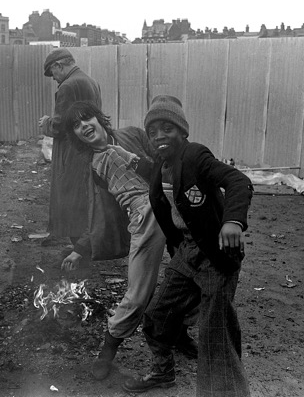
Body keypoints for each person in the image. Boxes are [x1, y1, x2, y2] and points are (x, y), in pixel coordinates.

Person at [123, 95, 253, 396]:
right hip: (187, 253)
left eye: (166, 128)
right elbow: (161, 186)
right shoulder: (160, 165)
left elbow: (238, 181)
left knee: (215, 334)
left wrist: (233, 222)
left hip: (216, 255)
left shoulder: (196, 156)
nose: (158, 137)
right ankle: (162, 372)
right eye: (152, 131)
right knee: (157, 314)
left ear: (183, 131)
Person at [60, 101, 198, 381]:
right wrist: (80, 248)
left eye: (87, 118)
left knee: (198, 275)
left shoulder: (133, 135)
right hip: (145, 216)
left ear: (99, 119)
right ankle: (107, 352)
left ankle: (179, 331)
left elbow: (167, 158)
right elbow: (101, 215)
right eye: (76, 125)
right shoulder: (94, 169)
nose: (84, 126)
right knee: (139, 294)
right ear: (75, 135)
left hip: (175, 204)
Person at [38, 48, 102, 246]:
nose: (54, 79)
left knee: (69, 197)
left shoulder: (67, 86)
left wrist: (46, 122)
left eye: (53, 73)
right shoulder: (91, 81)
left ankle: (80, 252)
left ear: (59, 65)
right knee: (85, 198)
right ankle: (85, 246)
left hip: (70, 152)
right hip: (88, 148)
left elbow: (60, 125)